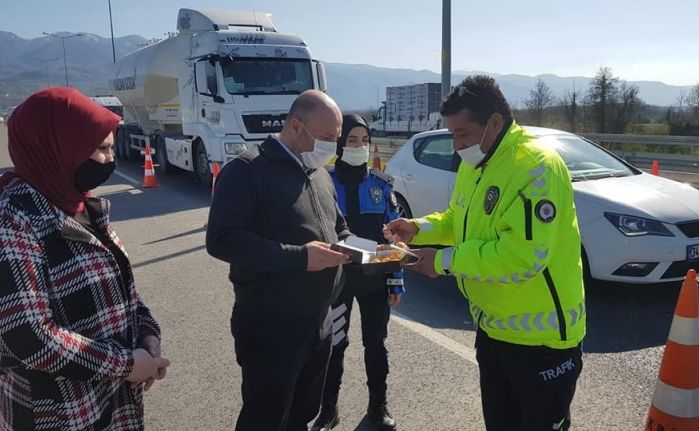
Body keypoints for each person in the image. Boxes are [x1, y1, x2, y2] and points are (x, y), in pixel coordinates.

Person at [384, 75, 586, 430]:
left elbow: (523, 257)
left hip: (542, 342)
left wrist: (443, 262)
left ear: (494, 122)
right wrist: (417, 228)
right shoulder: (474, 163)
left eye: (462, 134)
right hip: (493, 330)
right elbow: (457, 219)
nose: (456, 145)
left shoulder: (535, 167)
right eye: (452, 135)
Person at [0, 87, 169, 430]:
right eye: (101, 149)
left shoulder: (81, 204)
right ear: (58, 150)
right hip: (57, 413)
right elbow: (27, 335)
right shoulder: (13, 220)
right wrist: (124, 364)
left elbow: (123, 289)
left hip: (111, 404)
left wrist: (147, 336)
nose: (111, 159)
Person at [206, 90, 352, 431]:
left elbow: (339, 228)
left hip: (318, 323)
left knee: (302, 415)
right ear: (296, 126)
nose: (333, 146)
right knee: (265, 418)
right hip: (270, 328)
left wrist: (358, 249)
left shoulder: (320, 175)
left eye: (337, 137)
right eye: (327, 137)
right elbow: (222, 239)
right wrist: (301, 257)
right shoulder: (247, 169)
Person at [312, 115, 404, 431]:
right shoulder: (323, 182)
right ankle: (328, 410)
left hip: (375, 283)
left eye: (364, 141)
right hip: (336, 283)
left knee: (376, 344)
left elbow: (394, 240)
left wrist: (395, 279)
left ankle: (378, 406)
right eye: (352, 141)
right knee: (333, 346)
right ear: (339, 144)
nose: (360, 147)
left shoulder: (380, 186)